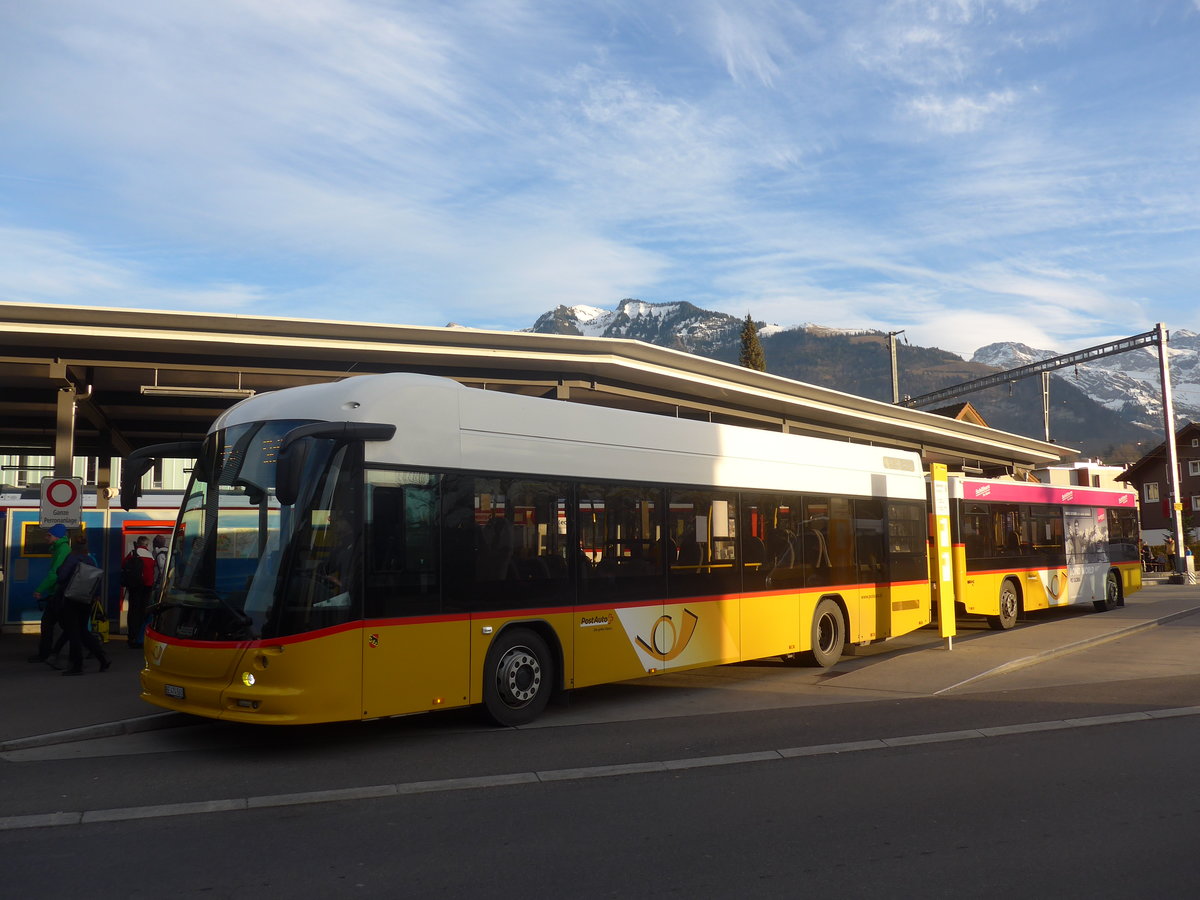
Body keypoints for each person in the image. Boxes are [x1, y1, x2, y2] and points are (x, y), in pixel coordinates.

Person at [56, 535, 111, 675]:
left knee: (73, 632)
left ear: (73, 546)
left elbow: (62, 576)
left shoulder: (71, 558)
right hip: (86, 600)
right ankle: (102, 657)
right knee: (83, 631)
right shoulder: (89, 560)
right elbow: (96, 580)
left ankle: (77, 666)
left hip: (71, 599)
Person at [27, 523, 71, 664]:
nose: (46, 537)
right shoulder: (59, 548)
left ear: (56, 537)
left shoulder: (62, 550)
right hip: (57, 593)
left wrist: (40, 589)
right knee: (54, 624)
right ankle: (46, 653)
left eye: (49, 535)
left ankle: (92, 651)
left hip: (59, 594)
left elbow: (54, 574)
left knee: (59, 625)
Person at [122, 535, 156, 649]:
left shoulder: (133, 553)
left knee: (133, 611)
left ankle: (132, 636)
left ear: (138, 543)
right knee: (143, 612)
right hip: (147, 588)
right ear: (146, 545)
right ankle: (140, 637)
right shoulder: (151, 556)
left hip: (135, 587)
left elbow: (124, 565)